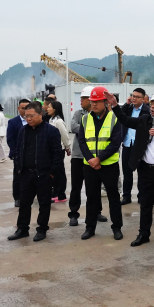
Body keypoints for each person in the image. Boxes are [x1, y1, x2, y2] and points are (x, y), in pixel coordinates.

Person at [106, 90, 154, 246]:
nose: (152, 107)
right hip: (146, 169)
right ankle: (144, 233)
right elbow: (125, 120)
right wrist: (114, 105)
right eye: (152, 104)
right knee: (145, 203)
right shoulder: (144, 120)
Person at [7, 102, 63, 242]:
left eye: (31, 116)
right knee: (24, 203)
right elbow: (18, 150)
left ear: (40, 115)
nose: (28, 119)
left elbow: (57, 154)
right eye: (26, 116)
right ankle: (22, 229)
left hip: (44, 174)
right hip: (26, 173)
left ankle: (42, 229)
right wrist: (19, 167)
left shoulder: (51, 131)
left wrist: (51, 172)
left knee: (44, 204)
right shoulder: (23, 130)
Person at [74, 87, 124, 241]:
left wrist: (99, 159)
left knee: (113, 197)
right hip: (90, 166)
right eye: (92, 101)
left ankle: (117, 227)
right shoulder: (85, 119)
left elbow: (115, 143)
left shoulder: (114, 118)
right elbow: (82, 141)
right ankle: (90, 228)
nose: (94, 104)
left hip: (109, 165)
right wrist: (91, 159)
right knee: (91, 197)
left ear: (106, 102)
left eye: (97, 102)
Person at [67, 87, 108, 226]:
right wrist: (88, 129)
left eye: (83, 99)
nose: (81, 101)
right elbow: (73, 127)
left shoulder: (102, 115)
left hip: (94, 157)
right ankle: (73, 214)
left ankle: (97, 212)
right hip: (79, 156)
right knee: (76, 186)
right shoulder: (78, 113)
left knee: (94, 187)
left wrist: (85, 128)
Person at [120, 88, 150, 205]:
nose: (134, 98)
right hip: (127, 143)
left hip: (140, 145)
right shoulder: (128, 108)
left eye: (137, 97)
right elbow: (120, 115)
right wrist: (126, 104)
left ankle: (141, 196)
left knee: (142, 173)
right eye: (133, 96)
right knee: (127, 172)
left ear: (143, 98)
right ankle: (126, 196)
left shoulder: (147, 110)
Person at [46, 100, 71, 203]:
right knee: (54, 172)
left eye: (49, 107)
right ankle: (55, 192)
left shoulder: (59, 121)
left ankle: (61, 195)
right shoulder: (51, 119)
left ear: (55, 109)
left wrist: (67, 147)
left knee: (59, 172)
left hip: (59, 150)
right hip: (51, 150)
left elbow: (64, 136)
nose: (47, 109)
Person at [7, 99, 30, 207]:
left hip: (33, 153)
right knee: (18, 176)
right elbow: (10, 139)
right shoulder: (13, 122)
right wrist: (16, 153)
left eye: (27, 108)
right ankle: (17, 197)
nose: (25, 110)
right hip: (19, 154)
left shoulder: (34, 121)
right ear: (18, 108)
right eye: (23, 108)